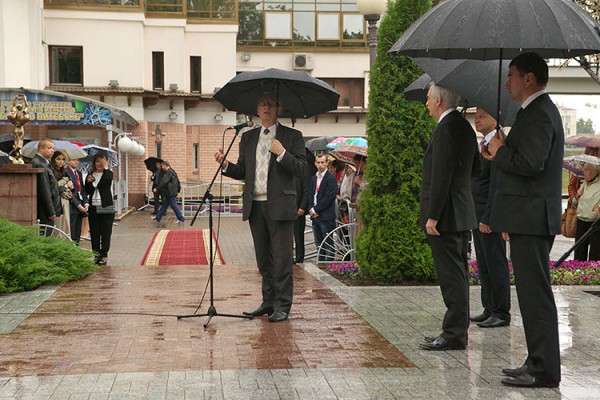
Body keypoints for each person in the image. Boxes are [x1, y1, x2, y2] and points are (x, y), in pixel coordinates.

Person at [485, 52, 562, 388]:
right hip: (526, 217)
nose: (507, 82)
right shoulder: (532, 112)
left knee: (535, 296)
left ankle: (544, 369)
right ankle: (535, 359)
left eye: (512, 75)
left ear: (528, 79)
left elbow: (531, 163)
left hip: (532, 218)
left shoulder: (541, 114)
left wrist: (501, 151)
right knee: (530, 295)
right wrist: (499, 148)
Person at [214, 92, 306, 323]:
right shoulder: (248, 137)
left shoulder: (292, 136)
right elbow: (243, 171)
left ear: (279, 109)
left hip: (281, 206)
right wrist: (225, 165)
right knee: (263, 259)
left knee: (282, 258)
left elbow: (303, 169)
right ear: (257, 109)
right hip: (256, 205)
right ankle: (268, 302)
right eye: (262, 103)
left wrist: (282, 153)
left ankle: (283, 305)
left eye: (271, 103)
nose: (266, 107)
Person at [419, 84, 477, 351]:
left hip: (446, 216)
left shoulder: (446, 128)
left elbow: (440, 176)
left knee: (451, 276)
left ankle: (454, 333)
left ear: (439, 100)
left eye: (428, 99)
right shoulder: (464, 126)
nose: (426, 104)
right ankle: (455, 330)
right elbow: (474, 169)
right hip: (459, 211)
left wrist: (433, 215)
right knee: (458, 273)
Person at [470, 108, 510, 328]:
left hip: (489, 214)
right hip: (477, 212)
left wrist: (488, 216)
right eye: (476, 115)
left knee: (496, 262)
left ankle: (501, 311)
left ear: (495, 119)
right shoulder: (483, 144)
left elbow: (496, 184)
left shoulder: (497, 143)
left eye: (482, 115)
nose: (477, 118)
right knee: (484, 263)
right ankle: (489, 307)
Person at [85, 154, 115, 265]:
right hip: (93, 207)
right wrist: (88, 182)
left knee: (106, 232)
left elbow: (105, 182)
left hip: (106, 206)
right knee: (94, 232)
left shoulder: (109, 174)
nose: (99, 164)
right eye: (97, 161)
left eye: (101, 161)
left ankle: (104, 255)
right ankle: (96, 255)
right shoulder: (90, 175)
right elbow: (88, 191)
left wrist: (106, 168)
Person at [309, 153, 338, 261]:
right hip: (315, 216)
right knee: (319, 244)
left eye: (322, 162)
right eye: (318, 162)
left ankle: (330, 269)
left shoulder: (330, 179)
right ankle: (321, 267)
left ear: (326, 163)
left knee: (328, 245)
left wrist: (315, 209)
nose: (320, 165)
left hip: (326, 216)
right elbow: (310, 195)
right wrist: (311, 208)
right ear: (315, 163)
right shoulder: (313, 178)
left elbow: (329, 197)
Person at [31, 139, 61, 234]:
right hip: (44, 211)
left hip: (47, 208)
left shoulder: (46, 163)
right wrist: (50, 211)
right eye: (49, 148)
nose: (52, 150)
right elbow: (44, 189)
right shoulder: (39, 163)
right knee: (45, 236)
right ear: (41, 149)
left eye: (53, 148)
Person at [572, 162, 600, 261]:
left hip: (595, 223)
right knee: (579, 252)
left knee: (595, 254)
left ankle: (593, 274)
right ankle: (578, 272)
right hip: (581, 221)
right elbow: (574, 203)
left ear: (593, 172)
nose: (583, 172)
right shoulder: (584, 183)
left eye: (586, 169)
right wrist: (577, 195)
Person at [293, 149, 315, 264]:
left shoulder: (304, 169)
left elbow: (306, 190)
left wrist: (302, 207)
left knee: (298, 234)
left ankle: (299, 258)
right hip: (289, 206)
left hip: (298, 207)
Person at [151, 160, 185, 225]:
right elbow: (177, 181)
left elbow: (164, 181)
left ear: (165, 165)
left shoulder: (168, 173)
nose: (162, 167)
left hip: (170, 192)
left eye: (162, 166)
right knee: (164, 205)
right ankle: (158, 217)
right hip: (170, 191)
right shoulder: (172, 171)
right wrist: (178, 189)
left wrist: (157, 188)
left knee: (174, 205)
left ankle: (181, 218)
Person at [65, 158, 89, 244]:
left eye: (78, 160)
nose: (76, 162)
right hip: (72, 205)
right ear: (68, 161)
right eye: (74, 160)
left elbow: (82, 190)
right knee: (72, 230)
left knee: (78, 231)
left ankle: (77, 246)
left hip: (81, 205)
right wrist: (78, 205)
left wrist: (86, 203)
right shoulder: (66, 172)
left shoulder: (78, 173)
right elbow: (69, 193)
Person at [50, 151, 73, 236]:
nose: (61, 161)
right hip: (57, 201)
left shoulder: (65, 172)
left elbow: (72, 188)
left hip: (65, 200)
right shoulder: (51, 171)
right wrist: (65, 185)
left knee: (66, 224)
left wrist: (70, 185)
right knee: (58, 225)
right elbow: (54, 187)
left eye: (63, 159)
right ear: (53, 160)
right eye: (58, 159)